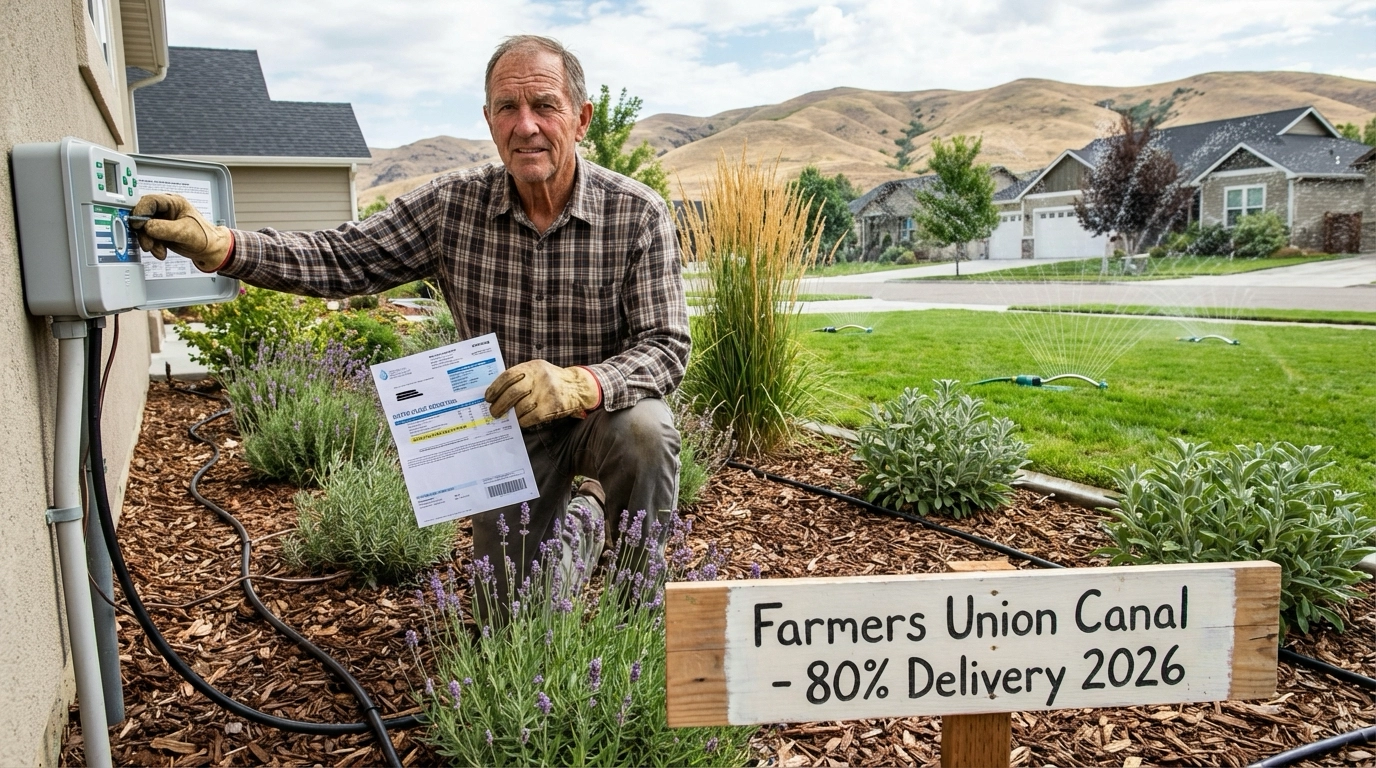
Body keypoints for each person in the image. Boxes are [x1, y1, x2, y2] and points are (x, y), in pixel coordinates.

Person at [131, 35, 690, 609]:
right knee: (508, 619)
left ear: (580, 119)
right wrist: (220, 245)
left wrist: (579, 383)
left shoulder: (636, 212)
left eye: (544, 105)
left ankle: (636, 617)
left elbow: (667, 345)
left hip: (603, 417)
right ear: (489, 120)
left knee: (645, 431)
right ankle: (587, 519)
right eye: (507, 108)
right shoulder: (453, 206)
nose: (525, 125)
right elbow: (345, 255)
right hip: (506, 427)